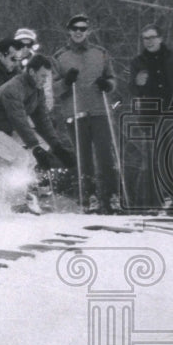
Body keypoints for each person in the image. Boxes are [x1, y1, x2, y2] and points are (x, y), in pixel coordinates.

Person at [0, 55, 76, 212]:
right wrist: (34, 146)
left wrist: (57, 147)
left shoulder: (37, 91)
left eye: (48, 76)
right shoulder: (14, 88)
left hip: (7, 131)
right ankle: (17, 202)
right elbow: (19, 120)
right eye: (43, 75)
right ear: (32, 72)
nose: (45, 80)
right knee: (22, 157)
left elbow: (43, 120)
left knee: (36, 152)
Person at [52, 14, 120, 213]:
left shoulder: (100, 53)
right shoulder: (60, 57)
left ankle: (112, 196)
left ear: (88, 31)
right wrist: (66, 82)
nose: (79, 32)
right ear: (69, 31)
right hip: (75, 112)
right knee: (84, 158)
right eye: (75, 29)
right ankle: (89, 197)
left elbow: (112, 79)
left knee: (105, 155)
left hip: (99, 111)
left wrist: (107, 84)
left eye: (83, 28)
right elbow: (53, 89)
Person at [128, 23, 173, 214]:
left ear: (160, 38)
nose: (149, 42)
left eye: (152, 37)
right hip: (151, 115)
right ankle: (158, 202)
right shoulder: (138, 62)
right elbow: (132, 89)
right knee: (157, 159)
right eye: (145, 38)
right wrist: (137, 83)